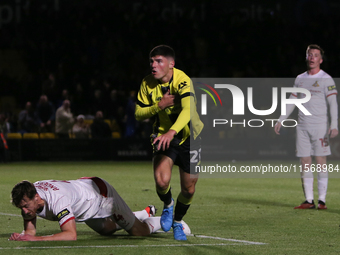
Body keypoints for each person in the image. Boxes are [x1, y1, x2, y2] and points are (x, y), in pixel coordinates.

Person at [135, 45, 203, 240]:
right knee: (161, 180)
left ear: (171, 64)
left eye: (158, 61)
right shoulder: (147, 83)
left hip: (190, 136)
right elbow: (138, 114)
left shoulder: (183, 81)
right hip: (164, 135)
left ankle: (178, 221)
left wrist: (173, 132)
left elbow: (188, 111)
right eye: (151, 61)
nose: (153, 65)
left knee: (189, 189)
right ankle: (167, 205)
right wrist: (159, 106)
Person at [274, 44, 338, 209]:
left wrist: (334, 124)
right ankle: (309, 200)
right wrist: (281, 119)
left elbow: (333, 104)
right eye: (310, 55)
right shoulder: (300, 79)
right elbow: (293, 101)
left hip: (320, 127)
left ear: (320, 60)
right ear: (306, 57)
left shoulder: (326, 79)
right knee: (304, 162)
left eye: (315, 55)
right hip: (302, 126)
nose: (312, 58)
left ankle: (322, 200)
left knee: (321, 160)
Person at [9, 177, 160, 241]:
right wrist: (23, 236)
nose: (24, 212)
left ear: (36, 197)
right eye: (20, 208)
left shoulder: (58, 201)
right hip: (83, 196)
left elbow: (70, 235)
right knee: (106, 229)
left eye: (26, 206)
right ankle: (142, 213)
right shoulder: (29, 197)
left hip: (100, 196)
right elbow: (30, 231)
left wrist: (36, 239)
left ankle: (169, 220)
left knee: (138, 232)